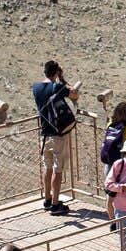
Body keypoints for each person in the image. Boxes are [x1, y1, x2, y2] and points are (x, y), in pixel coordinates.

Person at [32, 60, 80, 215]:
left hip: (44, 133)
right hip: (58, 134)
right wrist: (63, 79)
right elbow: (74, 94)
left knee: (47, 167)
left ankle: (47, 198)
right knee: (57, 170)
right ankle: (55, 203)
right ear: (56, 72)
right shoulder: (57, 87)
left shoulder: (36, 87)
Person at [100, 101, 126, 231]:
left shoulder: (110, 124)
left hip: (109, 163)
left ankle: (113, 222)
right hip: (124, 165)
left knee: (111, 194)